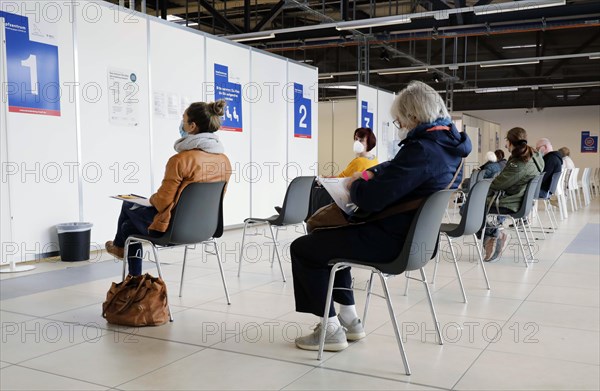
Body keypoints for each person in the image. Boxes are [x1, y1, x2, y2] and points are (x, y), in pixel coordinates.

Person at [290, 80, 471, 352]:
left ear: (413, 117)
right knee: (332, 239)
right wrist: (368, 173)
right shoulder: (446, 147)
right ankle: (350, 320)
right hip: (417, 239)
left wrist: (356, 184)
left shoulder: (421, 149)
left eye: (399, 122)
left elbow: (373, 198)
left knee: (304, 248)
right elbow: (395, 170)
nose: (400, 127)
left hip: (394, 241)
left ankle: (330, 330)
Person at [105, 100, 232, 276]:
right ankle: (125, 260)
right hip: (205, 228)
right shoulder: (224, 161)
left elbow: (163, 201)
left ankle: (126, 262)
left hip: (173, 229)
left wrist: (150, 200)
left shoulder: (180, 160)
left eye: (184, 119)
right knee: (129, 227)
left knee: (128, 211)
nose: (181, 124)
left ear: (192, 126)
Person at [482, 127, 544, 263]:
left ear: (510, 142)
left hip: (511, 202)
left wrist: (482, 187)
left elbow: (498, 184)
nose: (505, 145)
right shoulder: (535, 156)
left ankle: (495, 236)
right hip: (520, 199)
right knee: (475, 206)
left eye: (506, 141)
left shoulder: (520, 162)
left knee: (467, 208)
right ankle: (494, 234)